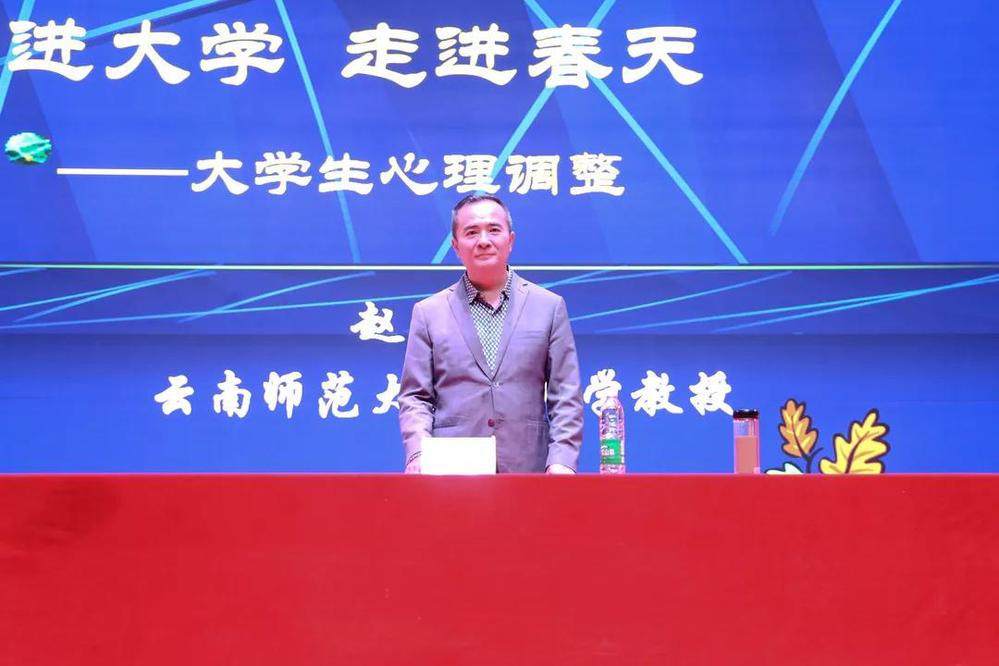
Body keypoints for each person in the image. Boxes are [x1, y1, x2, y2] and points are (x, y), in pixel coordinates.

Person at [399, 194, 583, 473]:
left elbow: (566, 394)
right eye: (471, 232)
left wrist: (561, 461)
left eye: (494, 230)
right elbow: (415, 397)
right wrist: (418, 453)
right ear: (456, 246)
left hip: (529, 470)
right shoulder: (429, 312)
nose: (483, 240)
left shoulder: (549, 306)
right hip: (453, 473)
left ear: (510, 240)